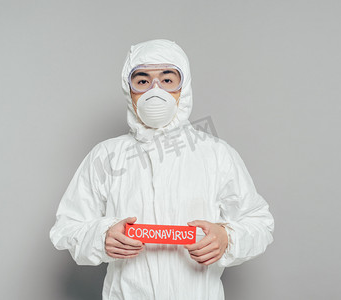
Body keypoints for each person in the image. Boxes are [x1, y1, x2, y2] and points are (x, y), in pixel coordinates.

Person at [50, 39, 274, 300]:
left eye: (168, 80)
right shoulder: (106, 157)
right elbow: (66, 227)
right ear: (128, 89)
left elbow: (259, 223)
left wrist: (226, 238)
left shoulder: (216, 155)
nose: (154, 92)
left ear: (184, 88)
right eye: (142, 81)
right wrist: (101, 237)